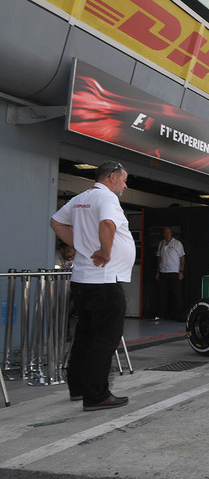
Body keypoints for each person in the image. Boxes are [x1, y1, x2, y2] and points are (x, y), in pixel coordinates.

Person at [50, 161, 135, 411]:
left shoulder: (80, 199)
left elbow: (56, 222)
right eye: (123, 179)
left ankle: (77, 387)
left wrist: (80, 246)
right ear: (111, 178)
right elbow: (107, 224)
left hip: (83, 280)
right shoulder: (107, 198)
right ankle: (97, 395)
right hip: (105, 281)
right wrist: (104, 251)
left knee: (84, 337)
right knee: (104, 340)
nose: (125, 185)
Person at [155, 226, 185, 320]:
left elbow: (182, 259)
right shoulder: (162, 243)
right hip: (163, 272)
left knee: (176, 294)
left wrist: (181, 271)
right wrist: (157, 272)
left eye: (168, 232)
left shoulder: (177, 243)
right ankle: (162, 314)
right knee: (162, 294)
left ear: (171, 233)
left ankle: (179, 315)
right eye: (165, 233)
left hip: (174, 272)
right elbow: (159, 258)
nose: (166, 234)